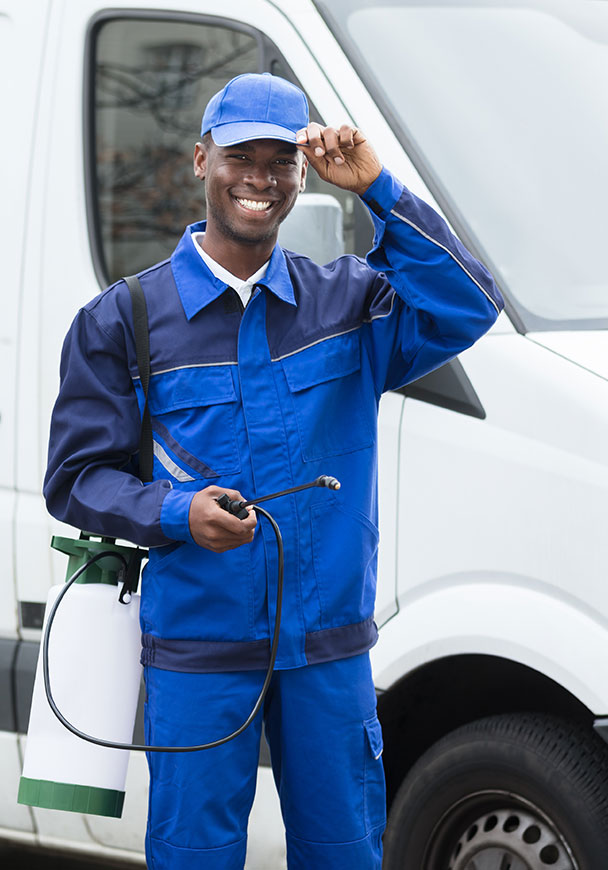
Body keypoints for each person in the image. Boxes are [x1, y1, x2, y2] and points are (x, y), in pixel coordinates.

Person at [44, 73, 503, 869]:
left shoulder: (350, 304)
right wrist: (178, 513)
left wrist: (381, 189)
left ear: (301, 174)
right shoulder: (125, 321)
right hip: (199, 649)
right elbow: (78, 477)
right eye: (240, 155)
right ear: (200, 160)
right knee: (194, 856)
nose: (260, 176)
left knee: (344, 852)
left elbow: (467, 304)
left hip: (328, 652)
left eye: (281, 160)